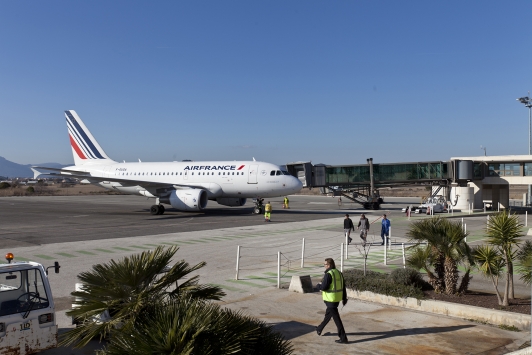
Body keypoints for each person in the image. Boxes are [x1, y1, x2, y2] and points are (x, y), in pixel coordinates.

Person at [315, 258, 348, 344]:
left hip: (330, 299)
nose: (324, 266)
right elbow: (343, 287)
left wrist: (318, 286)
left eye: (325, 265)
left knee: (337, 319)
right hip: (336, 299)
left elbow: (323, 287)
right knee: (328, 315)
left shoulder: (329, 274)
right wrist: (344, 298)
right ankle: (319, 328)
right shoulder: (339, 273)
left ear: (329, 265)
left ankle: (343, 337)